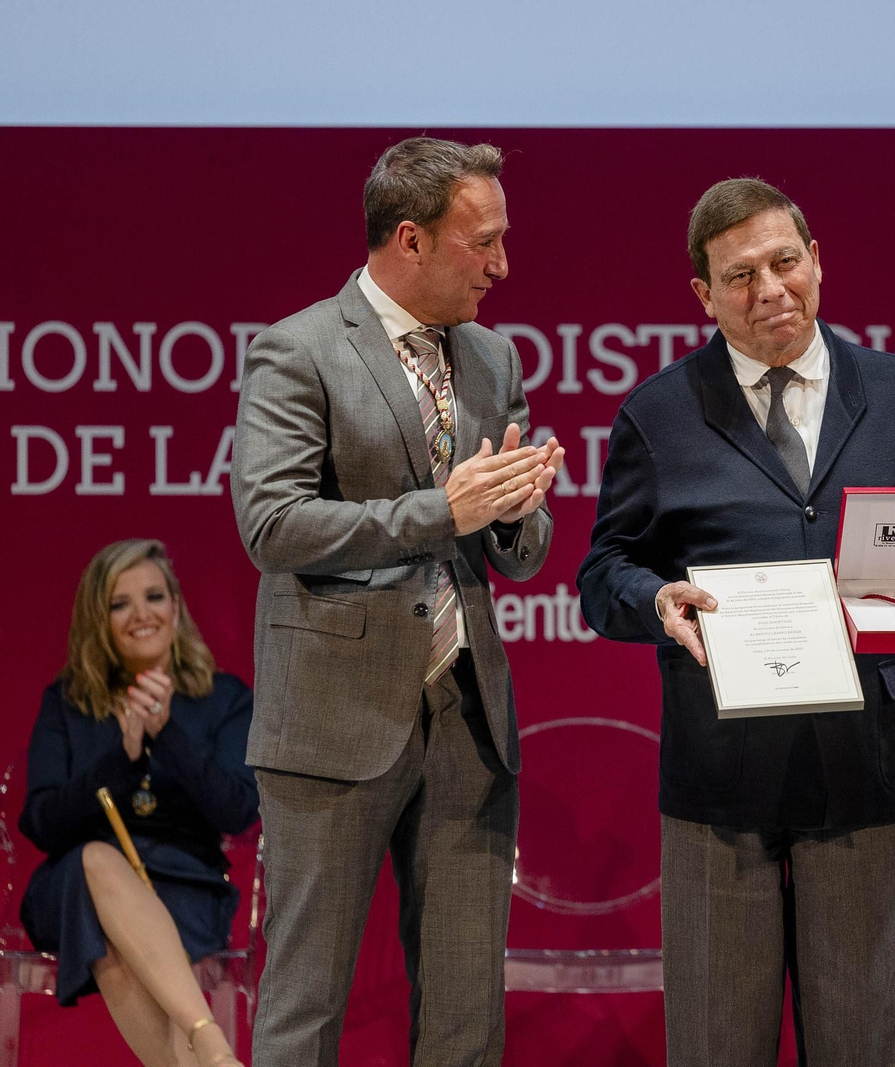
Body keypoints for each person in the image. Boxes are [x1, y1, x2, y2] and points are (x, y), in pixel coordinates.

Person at [577, 177, 895, 1067]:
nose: (769, 288)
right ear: (704, 295)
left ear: (817, 260)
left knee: (859, 1044)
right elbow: (603, 570)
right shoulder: (656, 413)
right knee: (719, 1046)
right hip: (720, 772)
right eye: (740, 275)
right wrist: (656, 601)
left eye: (784, 261)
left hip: (862, 757)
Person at [231, 136, 562, 1067]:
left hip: (467, 718)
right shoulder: (297, 349)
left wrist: (517, 510)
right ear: (409, 239)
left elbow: (521, 552)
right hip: (334, 722)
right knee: (306, 1006)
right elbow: (273, 524)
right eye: (482, 242)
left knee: (466, 1017)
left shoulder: (493, 358)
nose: (503, 264)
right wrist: (439, 509)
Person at [20, 539, 256, 1067]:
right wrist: (123, 760)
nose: (140, 615)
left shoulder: (225, 699)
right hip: (71, 890)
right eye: (119, 603)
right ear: (98, 618)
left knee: (123, 939)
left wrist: (166, 732)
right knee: (95, 862)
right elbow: (40, 822)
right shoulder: (68, 702)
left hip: (185, 887)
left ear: (176, 606)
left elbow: (238, 811)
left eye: (153, 596)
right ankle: (213, 1043)